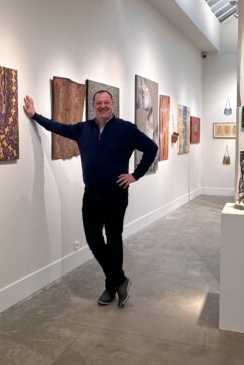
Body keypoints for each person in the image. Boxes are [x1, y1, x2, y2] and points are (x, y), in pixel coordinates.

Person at [23, 90, 158, 308]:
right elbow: (58, 127)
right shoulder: (83, 129)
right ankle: (120, 279)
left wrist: (135, 175)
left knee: (113, 240)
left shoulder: (126, 129)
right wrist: (35, 116)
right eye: (99, 103)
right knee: (93, 240)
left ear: (112, 104)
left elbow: (151, 148)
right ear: (93, 105)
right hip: (91, 196)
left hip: (116, 195)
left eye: (106, 102)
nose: (103, 106)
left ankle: (111, 286)